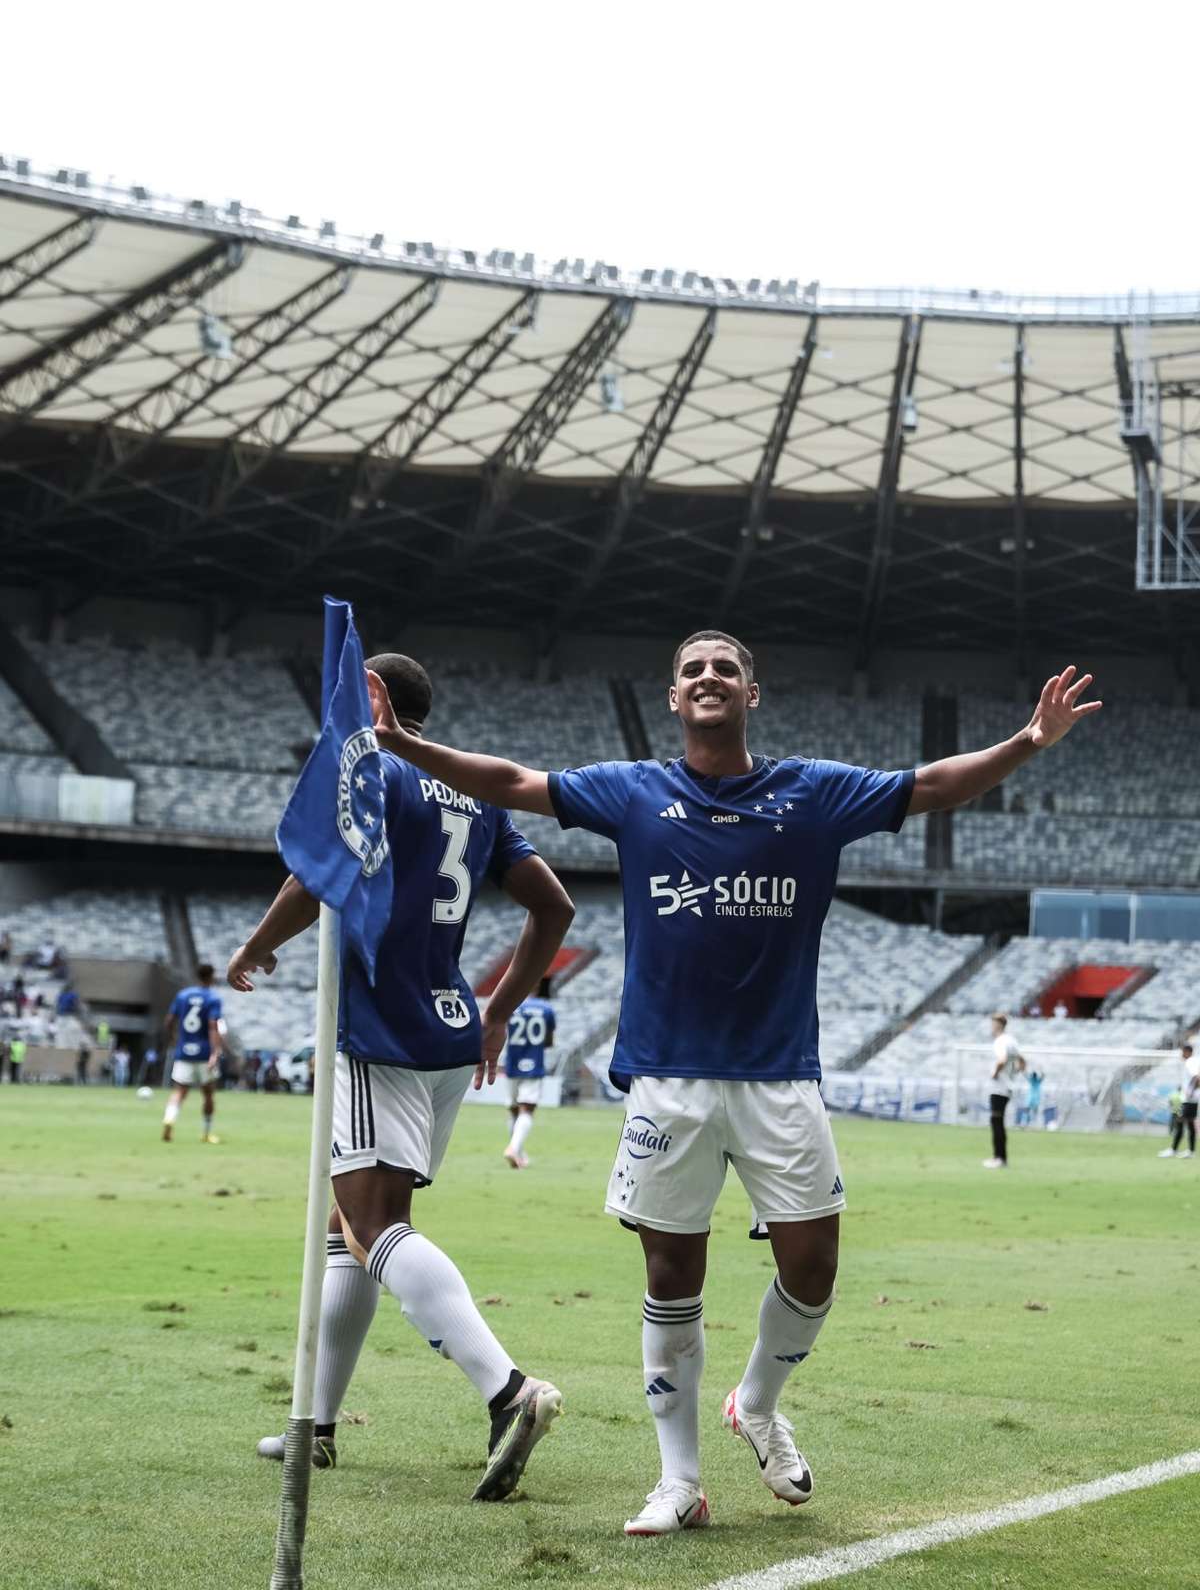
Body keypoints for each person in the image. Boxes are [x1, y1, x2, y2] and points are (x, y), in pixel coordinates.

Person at [370, 632, 1102, 1535]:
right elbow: (516, 783)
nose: (709, 677)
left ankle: (756, 1402)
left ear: (753, 693)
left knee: (814, 1265)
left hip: (778, 1077)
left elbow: (934, 784)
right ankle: (679, 1481)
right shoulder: (635, 790)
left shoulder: (816, 791)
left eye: (726, 668)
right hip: (668, 1080)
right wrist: (406, 747)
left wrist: (1028, 741)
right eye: (693, 671)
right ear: (673, 698)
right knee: (672, 1273)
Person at [229, 651, 574, 1501]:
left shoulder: (371, 768)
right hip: (452, 1030)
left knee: (375, 1224)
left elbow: (314, 880)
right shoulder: (474, 790)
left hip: (375, 1028)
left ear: (376, 697)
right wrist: (497, 1012)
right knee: (353, 1234)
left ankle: (509, 1391)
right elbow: (555, 908)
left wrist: (258, 944)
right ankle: (317, 1425)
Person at [161, 965, 224, 1143]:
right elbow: (213, 1026)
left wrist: (175, 1039)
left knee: (179, 1091)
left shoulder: (182, 995)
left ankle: (169, 1119)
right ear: (211, 977)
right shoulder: (213, 998)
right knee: (208, 1094)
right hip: (204, 1052)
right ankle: (206, 1132)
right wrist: (214, 1052)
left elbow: (168, 1021)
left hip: (184, 1051)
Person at [503, 979, 556, 1169]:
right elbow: (549, 1041)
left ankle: (518, 1153)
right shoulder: (546, 1009)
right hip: (534, 1065)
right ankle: (513, 1148)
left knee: (514, 1110)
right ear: (536, 986)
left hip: (512, 1064)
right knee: (527, 1110)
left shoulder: (510, 1006)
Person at [984, 1013, 1025, 1168]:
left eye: (993, 1024)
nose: (991, 1027)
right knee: (998, 1121)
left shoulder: (1000, 1041)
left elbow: (1001, 1060)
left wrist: (995, 1073)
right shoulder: (1012, 1041)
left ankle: (999, 1158)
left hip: (998, 1087)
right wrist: (1014, 1074)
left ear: (998, 1025)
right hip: (1008, 1086)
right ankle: (1001, 1158)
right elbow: (1022, 1061)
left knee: (996, 1121)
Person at [1158, 1044, 1198, 1158]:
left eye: (1182, 1052)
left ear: (1187, 1052)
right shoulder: (1194, 1061)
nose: (1181, 1055)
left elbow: (1197, 1077)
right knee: (1190, 1124)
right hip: (1192, 1099)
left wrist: (1190, 1091)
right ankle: (1191, 1151)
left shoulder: (1190, 1062)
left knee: (1179, 1120)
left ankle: (1173, 1149)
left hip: (1189, 1099)